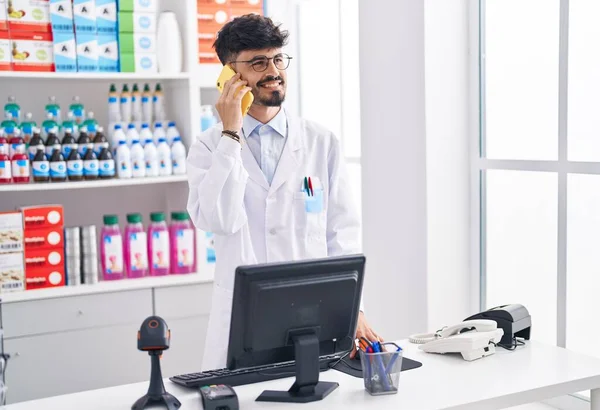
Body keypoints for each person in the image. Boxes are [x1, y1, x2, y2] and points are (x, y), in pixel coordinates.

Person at [187, 14, 381, 370]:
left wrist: (355, 309)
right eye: (258, 62)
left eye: (278, 59)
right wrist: (231, 135)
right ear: (230, 75)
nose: (273, 70)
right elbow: (219, 219)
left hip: (317, 313)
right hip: (245, 319)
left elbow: (342, 234)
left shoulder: (320, 142)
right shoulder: (209, 147)